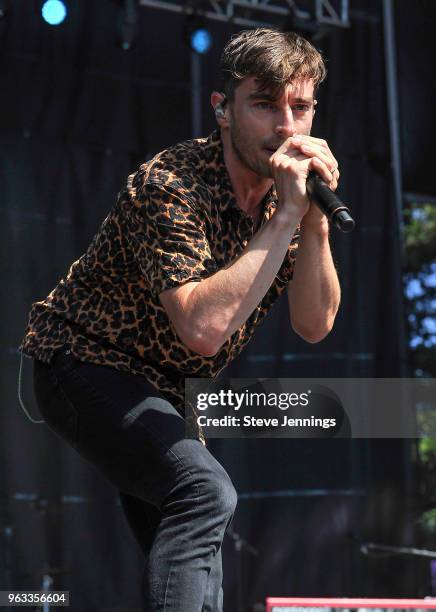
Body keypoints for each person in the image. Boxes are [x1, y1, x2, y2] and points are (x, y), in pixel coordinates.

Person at [18, 27, 341, 612]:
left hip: (166, 389)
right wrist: (287, 216)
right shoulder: (168, 185)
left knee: (198, 535)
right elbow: (202, 328)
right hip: (83, 361)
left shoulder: (286, 205)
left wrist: (311, 220)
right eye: (265, 105)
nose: (287, 128)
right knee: (202, 492)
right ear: (222, 110)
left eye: (300, 107)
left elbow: (315, 323)